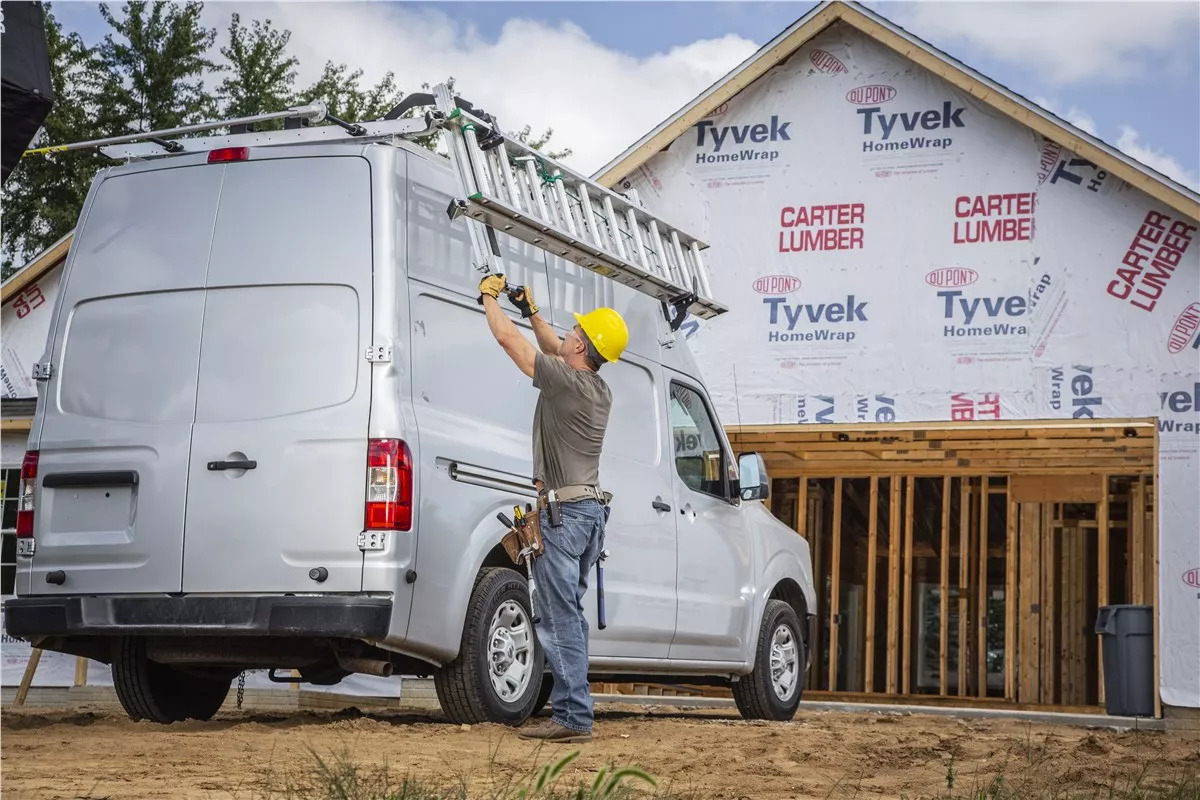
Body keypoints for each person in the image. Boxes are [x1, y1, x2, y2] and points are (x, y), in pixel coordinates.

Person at [477, 273, 629, 743]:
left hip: (564, 519)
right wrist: (532, 310)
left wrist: (488, 296)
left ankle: (573, 718)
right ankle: (570, 710)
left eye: (574, 333)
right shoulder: (595, 387)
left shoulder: (564, 382)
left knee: (558, 615)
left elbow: (511, 343)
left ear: (582, 347)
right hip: (587, 516)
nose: (567, 335)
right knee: (569, 613)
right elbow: (552, 344)